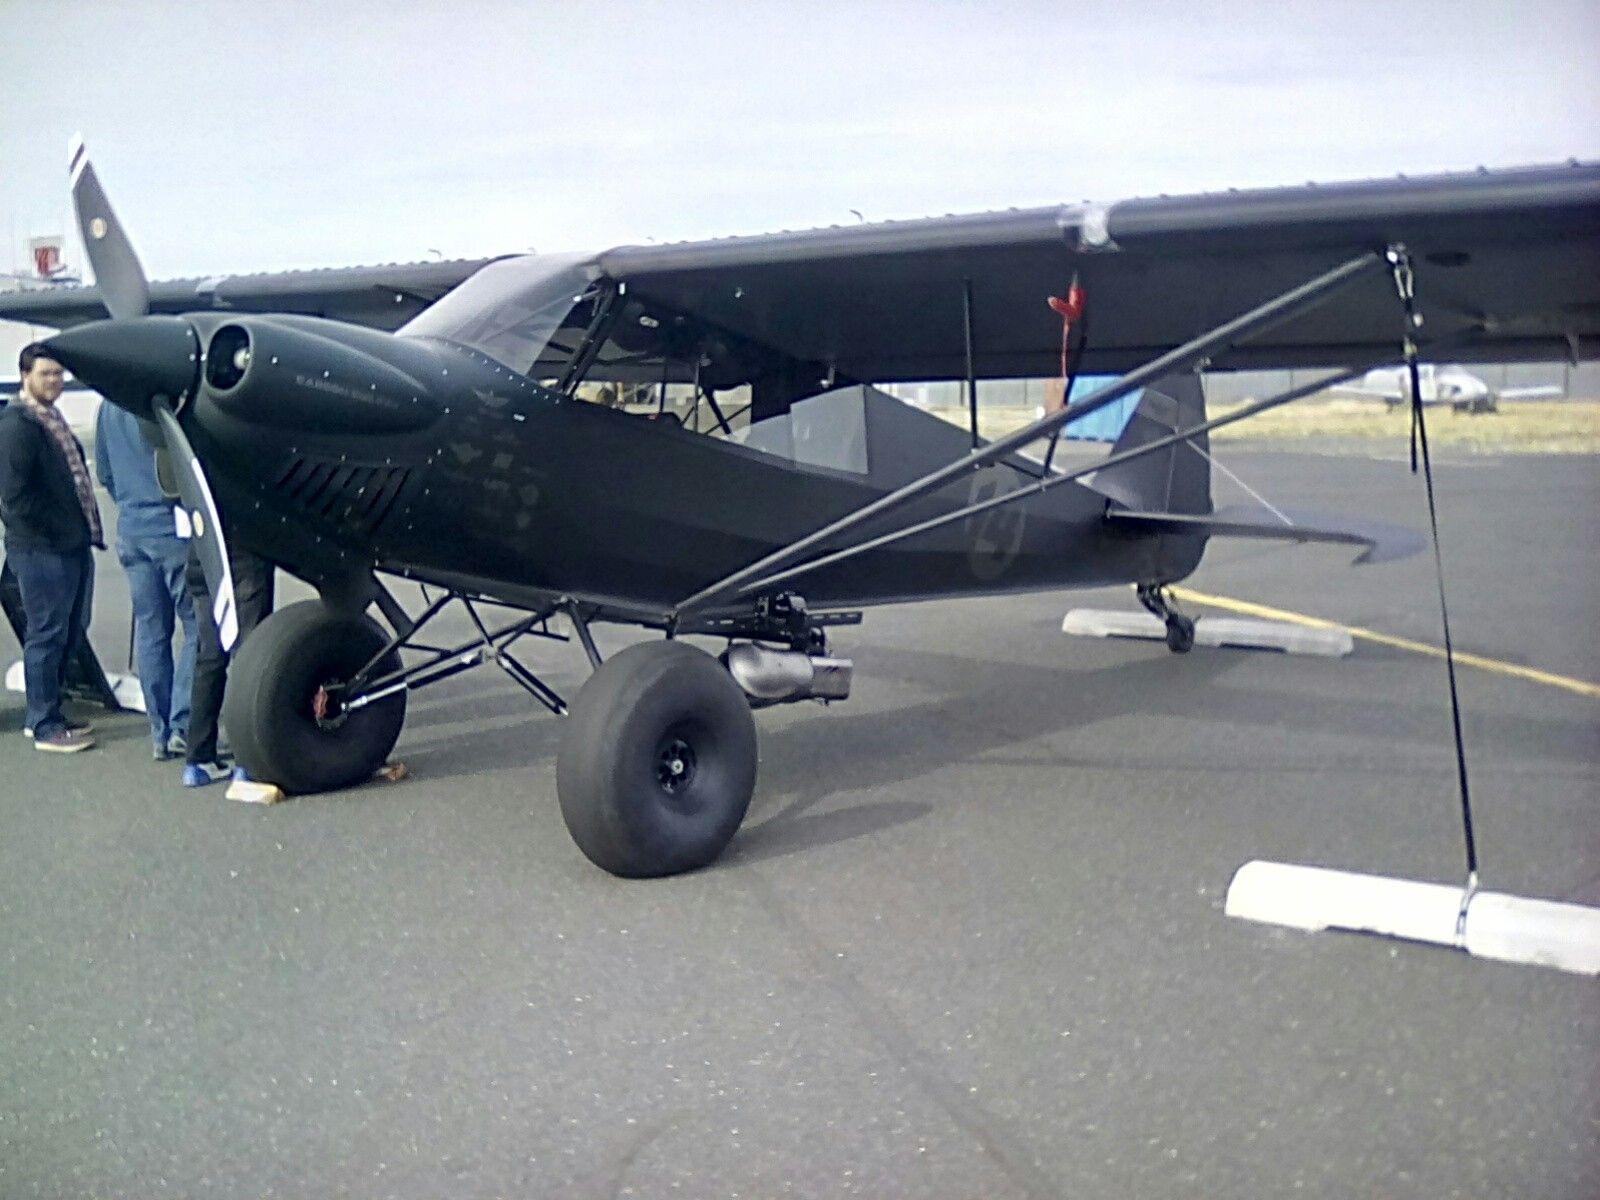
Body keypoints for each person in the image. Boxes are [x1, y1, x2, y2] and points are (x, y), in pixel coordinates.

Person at [0, 344, 104, 752]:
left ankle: (50, 711)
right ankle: (43, 723)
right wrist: (59, 531)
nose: (55, 381)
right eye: (46, 374)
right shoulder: (18, 426)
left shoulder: (50, 418)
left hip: (71, 545)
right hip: (43, 550)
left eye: (59, 374)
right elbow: (14, 498)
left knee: (70, 629)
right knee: (46, 634)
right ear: (25, 375)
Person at [94, 401, 196, 759]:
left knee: (151, 630)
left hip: (132, 527)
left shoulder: (108, 407)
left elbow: (105, 472)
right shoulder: (159, 403)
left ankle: (160, 729)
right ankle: (183, 722)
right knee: (198, 626)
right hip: (170, 524)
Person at [182, 534, 274, 787]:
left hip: (202, 549)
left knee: (209, 657)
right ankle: (248, 760)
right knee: (249, 658)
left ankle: (198, 759)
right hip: (243, 551)